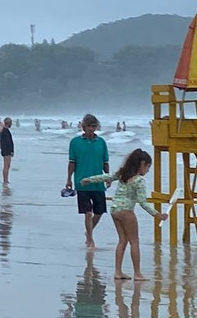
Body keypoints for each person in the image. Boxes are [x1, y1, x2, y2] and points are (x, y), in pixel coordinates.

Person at [82, 149, 167, 280]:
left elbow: (106, 177)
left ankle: (118, 271)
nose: (148, 170)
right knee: (134, 241)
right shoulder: (139, 181)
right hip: (126, 211)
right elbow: (143, 203)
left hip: (115, 210)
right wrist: (157, 215)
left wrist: (89, 180)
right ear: (142, 164)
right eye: (148, 167)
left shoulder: (123, 174)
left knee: (122, 240)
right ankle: (137, 273)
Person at [66, 113, 110, 248]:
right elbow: (72, 162)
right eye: (88, 126)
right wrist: (69, 179)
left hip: (98, 182)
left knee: (99, 212)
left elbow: (105, 162)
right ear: (83, 127)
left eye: (93, 126)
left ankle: (88, 232)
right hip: (82, 182)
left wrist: (109, 177)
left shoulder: (101, 142)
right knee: (88, 213)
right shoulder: (75, 142)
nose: (91, 129)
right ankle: (90, 239)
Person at [0, 117, 14, 184]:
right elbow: (8, 142)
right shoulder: (5, 131)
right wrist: (11, 151)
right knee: (6, 166)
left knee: (7, 166)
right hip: (7, 151)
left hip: (5, 150)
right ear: (9, 123)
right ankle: (5, 180)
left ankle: (6, 179)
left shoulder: (5, 130)